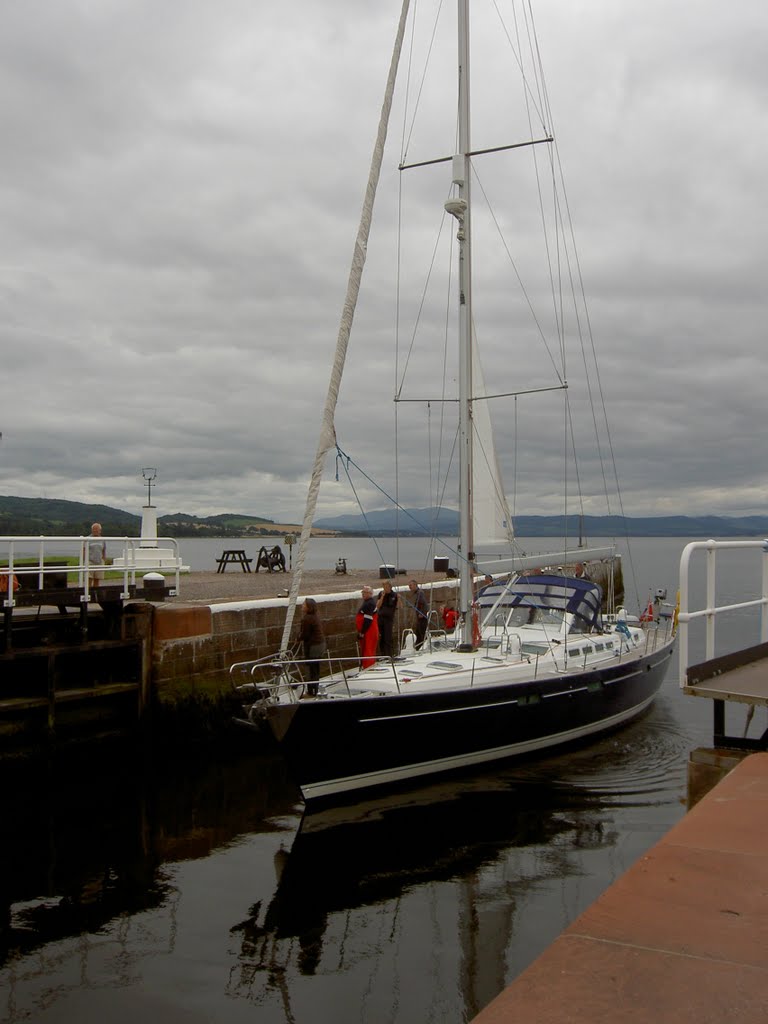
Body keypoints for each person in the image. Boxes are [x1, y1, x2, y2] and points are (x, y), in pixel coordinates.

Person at [297, 597, 326, 696]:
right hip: (320, 644)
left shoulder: (307, 619)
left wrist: (298, 638)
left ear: (309, 607)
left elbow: (305, 634)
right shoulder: (315, 616)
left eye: (304, 605)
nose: (302, 606)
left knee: (310, 668)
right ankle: (315, 689)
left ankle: (311, 691)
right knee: (316, 668)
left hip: (313, 646)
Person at [356, 585, 379, 669]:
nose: (363, 594)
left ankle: (368, 667)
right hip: (368, 630)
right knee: (366, 649)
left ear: (370, 594)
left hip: (369, 630)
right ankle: (366, 665)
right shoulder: (367, 602)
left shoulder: (370, 603)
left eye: (365, 592)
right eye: (363, 592)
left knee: (368, 650)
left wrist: (362, 632)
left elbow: (368, 619)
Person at [376, 579, 398, 658]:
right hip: (381, 618)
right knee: (381, 637)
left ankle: (389, 654)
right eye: (384, 587)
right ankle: (383, 655)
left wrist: (399, 599)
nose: (385, 588)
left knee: (388, 637)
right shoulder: (381, 594)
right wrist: (382, 596)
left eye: (386, 587)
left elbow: (399, 606)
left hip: (389, 619)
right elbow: (378, 606)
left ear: (390, 587)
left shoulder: (394, 595)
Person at [408, 579, 429, 649]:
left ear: (415, 585)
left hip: (422, 618)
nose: (409, 587)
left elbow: (425, 604)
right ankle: (418, 647)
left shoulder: (420, 593)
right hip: (419, 617)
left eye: (410, 585)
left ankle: (422, 647)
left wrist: (422, 614)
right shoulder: (417, 593)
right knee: (418, 633)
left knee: (421, 633)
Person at [88, 522, 107, 588]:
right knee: (89, 579)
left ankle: (95, 594)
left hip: (99, 561)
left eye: (97, 529)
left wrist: (103, 559)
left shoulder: (102, 539)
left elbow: (104, 549)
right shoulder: (87, 539)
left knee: (97, 579)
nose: (95, 530)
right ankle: (88, 594)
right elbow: (84, 550)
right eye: (94, 529)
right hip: (90, 561)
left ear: (100, 531)